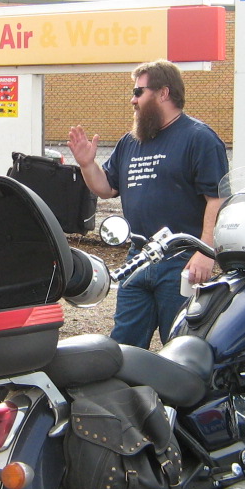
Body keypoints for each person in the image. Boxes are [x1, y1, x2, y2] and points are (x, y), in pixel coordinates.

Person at [68, 59, 228, 349]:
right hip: (139, 256)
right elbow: (106, 188)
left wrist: (206, 252)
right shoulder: (131, 142)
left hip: (182, 260)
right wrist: (87, 164)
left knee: (181, 346)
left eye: (138, 92)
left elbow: (217, 199)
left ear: (163, 93)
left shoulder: (199, 138)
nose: (133, 100)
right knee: (124, 344)